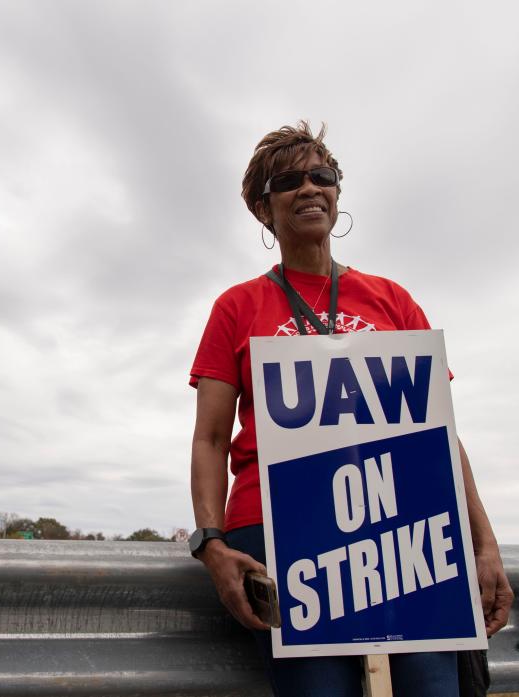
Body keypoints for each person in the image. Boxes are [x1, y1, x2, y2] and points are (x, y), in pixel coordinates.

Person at [187, 121, 512, 696]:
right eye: (288, 180)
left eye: (323, 176)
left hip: (405, 525)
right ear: (264, 209)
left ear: (337, 194)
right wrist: (212, 543)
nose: (310, 187)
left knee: (434, 689)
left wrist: (482, 545)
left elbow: (442, 433)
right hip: (282, 528)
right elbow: (210, 439)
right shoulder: (236, 306)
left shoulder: (392, 299)